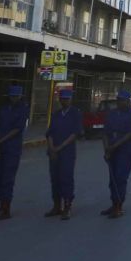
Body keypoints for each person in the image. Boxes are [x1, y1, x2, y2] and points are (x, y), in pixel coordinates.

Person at [0, 84, 30, 221]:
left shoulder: (23, 109)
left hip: (12, 148)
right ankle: (1, 206)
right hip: (1, 147)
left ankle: (5, 209)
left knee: (7, 178)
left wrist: (0, 141)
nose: (14, 98)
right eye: (12, 96)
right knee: (0, 178)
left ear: (20, 96)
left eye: (16, 96)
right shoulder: (4, 109)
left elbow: (17, 129)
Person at [45, 88, 83, 220]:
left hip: (66, 151)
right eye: (62, 99)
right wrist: (51, 148)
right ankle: (56, 206)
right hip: (54, 152)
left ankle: (67, 206)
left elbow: (75, 133)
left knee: (66, 178)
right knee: (54, 179)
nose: (64, 101)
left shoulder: (75, 113)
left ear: (70, 99)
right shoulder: (56, 114)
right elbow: (50, 133)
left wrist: (59, 147)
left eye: (67, 99)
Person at [101, 90, 131, 218]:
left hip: (125, 150)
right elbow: (105, 132)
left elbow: (130, 133)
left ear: (127, 101)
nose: (119, 102)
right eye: (118, 100)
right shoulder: (112, 113)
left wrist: (113, 147)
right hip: (112, 150)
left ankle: (119, 206)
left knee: (120, 178)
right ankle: (113, 203)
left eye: (122, 100)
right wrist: (106, 148)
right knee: (112, 179)